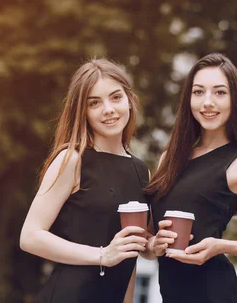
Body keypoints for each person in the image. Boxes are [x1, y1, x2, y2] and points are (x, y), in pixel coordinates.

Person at [144, 53, 237, 302]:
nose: (207, 102)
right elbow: (149, 244)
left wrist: (222, 246)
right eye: (198, 92)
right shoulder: (168, 160)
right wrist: (154, 245)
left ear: (234, 99)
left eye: (219, 92)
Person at [19, 58, 150, 303]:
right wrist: (102, 255)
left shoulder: (141, 171)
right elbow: (30, 237)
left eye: (116, 97)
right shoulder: (72, 160)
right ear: (83, 112)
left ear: (130, 100)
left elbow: (130, 256)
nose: (108, 109)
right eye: (94, 103)